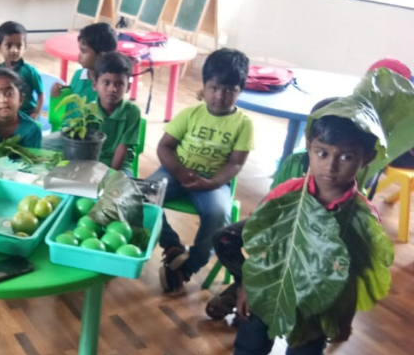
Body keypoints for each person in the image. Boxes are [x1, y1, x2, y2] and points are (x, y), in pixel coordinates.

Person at [224, 111, 379, 355]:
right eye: (322, 153)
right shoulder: (286, 193)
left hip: (317, 304)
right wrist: (248, 286)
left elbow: (355, 276)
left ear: (367, 158)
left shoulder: (363, 217)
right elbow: (262, 243)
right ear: (308, 147)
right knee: (248, 346)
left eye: (347, 157)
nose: (331, 166)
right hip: (270, 289)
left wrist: (344, 317)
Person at [205, 97, 338, 320]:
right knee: (224, 238)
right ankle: (245, 285)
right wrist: (262, 215)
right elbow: (275, 193)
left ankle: (250, 294)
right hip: (276, 223)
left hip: (310, 241)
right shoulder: (295, 162)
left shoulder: (343, 173)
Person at [148, 48, 254, 293]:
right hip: (175, 172)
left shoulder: (244, 124)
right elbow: (164, 147)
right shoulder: (190, 114)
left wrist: (212, 182)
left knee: (218, 214)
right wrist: (179, 171)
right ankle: (172, 246)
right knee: (141, 195)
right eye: (214, 88)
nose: (220, 96)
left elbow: (235, 164)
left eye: (229, 90)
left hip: (213, 182)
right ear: (204, 86)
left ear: (240, 90)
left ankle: (188, 267)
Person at [88, 52, 141, 176]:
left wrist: (111, 175)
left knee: (121, 185)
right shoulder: (88, 111)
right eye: (106, 83)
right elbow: (85, 148)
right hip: (92, 163)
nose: (113, 89)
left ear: (128, 87)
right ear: (95, 85)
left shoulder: (132, 112)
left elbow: (122, 147)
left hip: (121, 167)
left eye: (119, 84)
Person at [0, 67, 42, 148]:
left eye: (9, 94)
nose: (3, 100)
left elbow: (31, 156)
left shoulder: (31, 130)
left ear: (21, 99)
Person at [49, 22, 117, 104]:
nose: (79, 55)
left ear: (101, 56)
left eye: (84, 51)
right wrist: (61, 90)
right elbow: (74, 96)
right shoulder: (78, 74)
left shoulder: (109, 87)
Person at [0, 21, 43, 120]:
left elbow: (41, 94)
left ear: (25, 47)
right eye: (8, 46)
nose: (14, 50)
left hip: (27, 114)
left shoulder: (30, 72)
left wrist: (36, 112)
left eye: (19, 46)